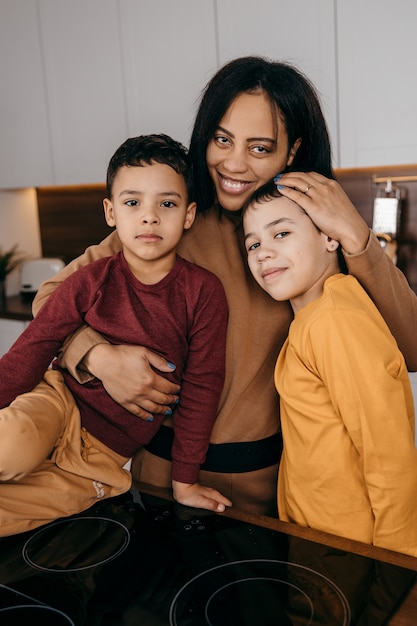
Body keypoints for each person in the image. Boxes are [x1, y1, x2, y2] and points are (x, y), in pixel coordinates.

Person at [33, 56, 417, 517]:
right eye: (222, 139)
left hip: (274, 483)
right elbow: (51, 297)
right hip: (160, 473)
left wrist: (357, 236)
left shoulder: (316, 236)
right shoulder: (173, 220)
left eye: (259, 148)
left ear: (292, 152)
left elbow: (409, 350)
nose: (234, 163)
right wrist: (97, 356)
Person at [0, 134, 231, 536]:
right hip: (57, 404)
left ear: (189, 214)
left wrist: (185, 481)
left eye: (168, 203)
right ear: (111, 212)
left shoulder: (203, 292)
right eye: (132, 202)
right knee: (11, 444)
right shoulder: (90, 280)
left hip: (103, 457)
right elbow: (34, 347)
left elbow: (202, 387)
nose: (149, 216)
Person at [242, 180, 417, 556]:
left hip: (352, 549)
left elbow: (388, 454)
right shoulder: (314, 318)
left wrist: (396, 562)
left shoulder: (334, 321)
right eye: (253, 244)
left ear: (330, 238)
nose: (263, 253)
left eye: (282, 233)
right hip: (321, 537)